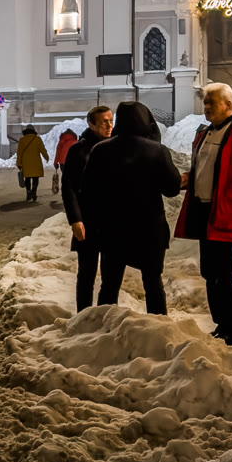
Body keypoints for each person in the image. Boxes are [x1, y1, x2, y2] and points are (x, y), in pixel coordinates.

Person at [175, 82, 232, 345]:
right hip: (204, 209)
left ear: (228, 105)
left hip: (224, 211)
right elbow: (207, 168)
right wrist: (190, 179)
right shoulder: (206, 133)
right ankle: (221, 324)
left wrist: (230, 196)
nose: (206, 108)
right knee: (209, 270)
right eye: (205, 103)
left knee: (224, 272)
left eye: (211, 103)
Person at [70, 100, 180, 314]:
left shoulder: (101, 150)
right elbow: (171, 189)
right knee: (153, 283)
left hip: (113, 229)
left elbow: (89, 191)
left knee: (109, 285)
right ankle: (158, 325)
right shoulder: (157, 150)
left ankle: (104, 323)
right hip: (149, 230)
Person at [58, 104, 113, 311]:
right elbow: (68, 187)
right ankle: (83, 315)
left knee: (111, 275)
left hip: (112, 221)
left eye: (111, 120)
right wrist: (75, 219)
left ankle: (106, 314)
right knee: (86, 274)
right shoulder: (78, 150)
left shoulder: (115, 146)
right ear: (91, 124)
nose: (109, 125)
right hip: (87, 221)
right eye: (104, 122)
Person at [14, 125, 47, 202]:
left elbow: (19, 153)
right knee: (35, 179)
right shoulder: (37, 139)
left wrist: (18, 163)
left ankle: (28, 192)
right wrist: (46, 157)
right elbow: (42, 149)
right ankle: (34, 192)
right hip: (36, 163)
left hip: (26, 164)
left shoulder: (22, 140)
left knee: (27, 179)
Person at [51, 126, 78, 196]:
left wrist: (55, 162)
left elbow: (58, 152)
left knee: (65, 176)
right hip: (73, 162)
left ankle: (65, 191)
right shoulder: (76, 142)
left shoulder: (62, 141)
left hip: (63, 162)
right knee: (73, 176)